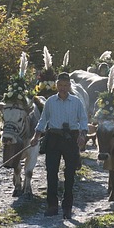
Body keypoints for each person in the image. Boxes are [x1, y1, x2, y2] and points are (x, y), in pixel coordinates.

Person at [31, 71, 89, 218]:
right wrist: (36, 136)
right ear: (56, 85)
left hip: (71, 139)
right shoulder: (50, 101)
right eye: (60, 85)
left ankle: (67, 207)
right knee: (51, 172)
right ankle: (52, 205)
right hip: (53, 138)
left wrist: (82, 135)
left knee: (70, 173)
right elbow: (43, 120)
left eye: (65, 85)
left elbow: (83, 120)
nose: (63, 88)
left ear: (69, 86)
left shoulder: (76, 102)